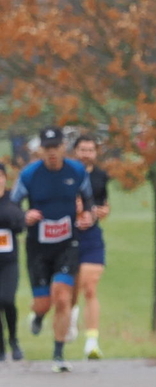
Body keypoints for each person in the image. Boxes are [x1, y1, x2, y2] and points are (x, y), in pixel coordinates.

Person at [15, 128, 90, 372]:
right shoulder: (29, 174)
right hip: (38, 249)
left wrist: (87, 214)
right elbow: (13, 204)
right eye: (47, 148)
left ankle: (58, 354)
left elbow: (88, 199)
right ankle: (38, 316)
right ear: (41, 150)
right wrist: (25, 215)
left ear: (63, 147)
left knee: (62, 297)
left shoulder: (76, 171)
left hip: (67, 244)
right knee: (43, 303)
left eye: (56, 147)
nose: (52, 153)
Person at [69, 134, 111, 359]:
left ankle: (92, 342)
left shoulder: (101, 176)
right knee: (72, 288)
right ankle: (71, 314)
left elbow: (104, 204)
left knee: (90, 287)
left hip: (92, 237)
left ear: (96, 153)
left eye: (90, 150)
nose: (86, 154)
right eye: (82, 149)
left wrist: (102, 212)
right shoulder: (65, 175)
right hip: (67, 235)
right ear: (75, 151)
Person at [0, 165, 24, 360]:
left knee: (7, 299)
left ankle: (14, 339)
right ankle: (1, 347)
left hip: (9, 261)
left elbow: (19, 224)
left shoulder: (12, 199)